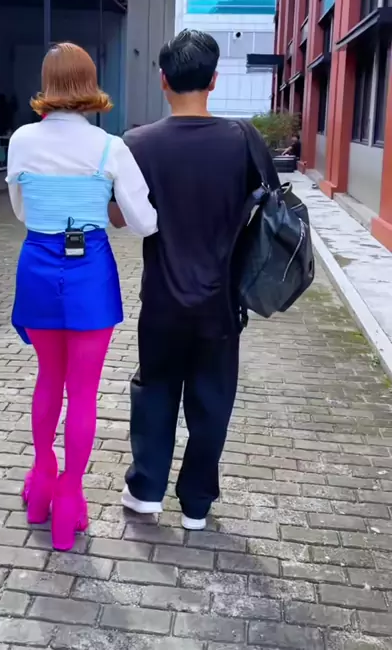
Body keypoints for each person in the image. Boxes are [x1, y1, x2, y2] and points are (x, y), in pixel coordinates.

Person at [6, 42, 157, 551]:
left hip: (37, 265)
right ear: (89, 83)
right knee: (84, 392)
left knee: (48, 376)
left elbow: (22, 213)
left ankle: (41, 480)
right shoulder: (110, 147)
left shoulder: (22, 140)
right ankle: (70, 495)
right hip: (89, 270)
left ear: (47, 84)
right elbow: (144, 222)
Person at [119, 29, 259, 530]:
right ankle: (196, 505)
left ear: (163, 80)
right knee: (212, 401)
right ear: (215, 80)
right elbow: (269, 207)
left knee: (155, 391)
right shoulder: (243, 139)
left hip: (161, 298)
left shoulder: (137, 143)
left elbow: (120, 216)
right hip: (221, 300)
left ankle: (146, 491)